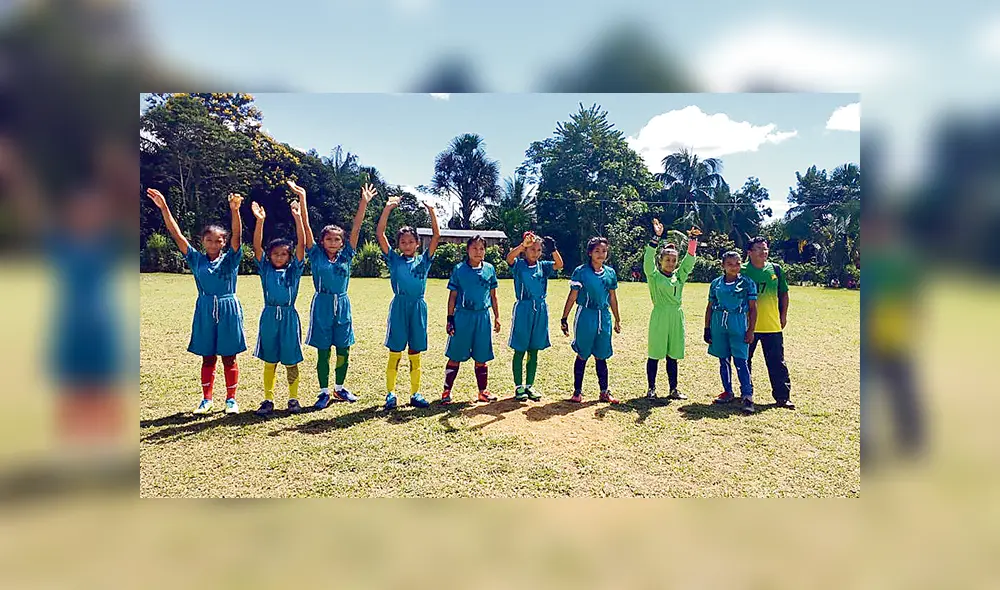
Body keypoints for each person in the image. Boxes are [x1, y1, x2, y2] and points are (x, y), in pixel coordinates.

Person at [145, 188, 246, 415]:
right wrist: (164, 208)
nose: (213, 243)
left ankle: (231, 400)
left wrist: (235, 211)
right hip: (205, 309)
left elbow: (238, 236)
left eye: (218, 240)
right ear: (203, 242)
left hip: (228, 308)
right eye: (209, 240)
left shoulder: (231, 259)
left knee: (229, 357)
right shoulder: (196, 259)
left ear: (223, 242)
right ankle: (206, 400)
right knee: (208, 357)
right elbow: (177, 235)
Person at [289, 180, 374, 408]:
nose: (334, 242)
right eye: (329, 239)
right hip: (322, 304)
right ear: (322, 240)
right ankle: (324, 392)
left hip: (342, 304)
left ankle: (339, 388)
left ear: (342, 241)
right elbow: (306, 227)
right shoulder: (315, 254)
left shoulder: (347, 255)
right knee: (324, 351)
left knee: (343, 348)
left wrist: (363, 203)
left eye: (337, 239)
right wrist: (303, 198)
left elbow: (356, 228)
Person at [376, 195, 441, 410]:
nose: (407, 245)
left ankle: (415, 393)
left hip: (418, 308)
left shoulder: (424, 260)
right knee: (395, 351)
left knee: (415, 351)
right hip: (399, 307)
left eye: (410, 241)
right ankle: (391, 394)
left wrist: (431, 210)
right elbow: (380, 233)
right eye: (402, 242)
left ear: (416, 243)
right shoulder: (394, 259)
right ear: (398, 245)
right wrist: (388, 208)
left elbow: (436, 236)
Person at [250, 199, 307, 416]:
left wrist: (298, 217)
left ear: (290, 256)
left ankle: (293, 399)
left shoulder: (294, 270)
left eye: (284, 254)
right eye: (275, 254)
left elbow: (301, 244)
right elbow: (256, 247)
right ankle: (268, 399)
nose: (279, 257)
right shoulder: (265, 268)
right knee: (270, 359)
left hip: (289, 316)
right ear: (269, 255)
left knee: (291, 360)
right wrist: (260, 221)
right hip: (269, 317)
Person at [560, 236, 622, 404]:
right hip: (586, 316)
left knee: (601, 355)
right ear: (589, 253)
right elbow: (572, 296)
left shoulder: (610, 273)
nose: (601, 254)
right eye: (597, 251)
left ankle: (604, 391)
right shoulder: (581, 272)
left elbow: (613, 298)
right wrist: (564, 317)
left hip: (604, 317)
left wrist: (617, 319)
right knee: (583, 353)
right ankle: (577, 392)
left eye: (604, 251)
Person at [441, 235, 501, 404]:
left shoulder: (489, 269)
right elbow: (452, 296)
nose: (478, 251)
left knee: (481, 356)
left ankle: (483, 392)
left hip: (482, 317)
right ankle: (446, 391)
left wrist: (497, 317)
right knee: (455, 355)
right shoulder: (459, 270)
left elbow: (493, 296)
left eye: (481, 248)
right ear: (467, 250)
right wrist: (450, 318)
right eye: (474, 248)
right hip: (463, 317)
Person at [644, 220, 699, 400]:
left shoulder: (679, 277)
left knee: (672, 355)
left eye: (674, 260)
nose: (671, 263)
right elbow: (647, 259)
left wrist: (692, 241)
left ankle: (673, 389)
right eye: (667, 259)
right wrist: (656, 237)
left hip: (676, 316)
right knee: (655, 353)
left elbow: (688, 262)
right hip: (660, 315)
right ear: (660, 260)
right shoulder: (653, 276)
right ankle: (651, 389)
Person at [505, 231, 564, 401]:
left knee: (534, 349)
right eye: (532, 250)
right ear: (525, 250)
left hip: (540, 309)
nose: (536, 253)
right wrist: (522, 245)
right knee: (520, 348)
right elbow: (509, 258)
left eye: (538, 250)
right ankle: (518, 387)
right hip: (523, 309)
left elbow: (559, 265)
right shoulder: (519, 265)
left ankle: (530, 385)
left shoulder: (543, 266)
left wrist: (553, 249)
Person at [742, 237, 795, 409]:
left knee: (777, 362)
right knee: (744, 361)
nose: (763, 252)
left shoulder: (776, 270)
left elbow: (784, 294)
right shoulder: (740, 271)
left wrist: (783, 316)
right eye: (758, 249)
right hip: (747, 326)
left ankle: (782, 397)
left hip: (772, 325)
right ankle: (746, 394)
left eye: (765, 249)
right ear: (749, 252)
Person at [705, 251, 758, 414]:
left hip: (738, 322)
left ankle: (747, 396)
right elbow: (709, 306)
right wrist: (707, 328)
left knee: (741, 361)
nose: (734, 267)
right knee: (723, 359)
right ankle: (728, 391)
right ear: (723, 266)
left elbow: (753, 308)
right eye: (730, 264)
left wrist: (751, 330)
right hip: (719, 323)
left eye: (737, 263)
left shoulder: (748, 283)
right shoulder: (716, 284)